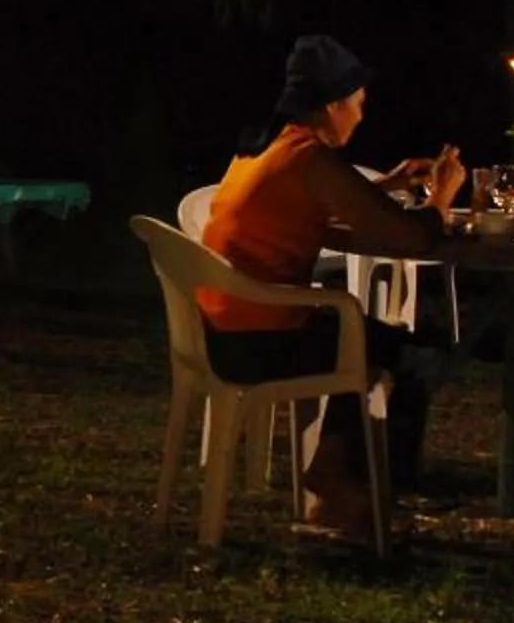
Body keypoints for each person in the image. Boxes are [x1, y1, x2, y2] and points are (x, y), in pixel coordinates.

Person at [197, 34, 468, 536]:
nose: (362, 117)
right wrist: (443, 197)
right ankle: (378, 491)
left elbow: (311, 204)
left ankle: (339, 481)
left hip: (222, 329)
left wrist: (385, 185)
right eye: (358, 104)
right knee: (419, 354)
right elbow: (411, 235)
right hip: (263, 341)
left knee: (366, 338)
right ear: (331, 104)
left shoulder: (263, 147)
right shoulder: (310, 159)